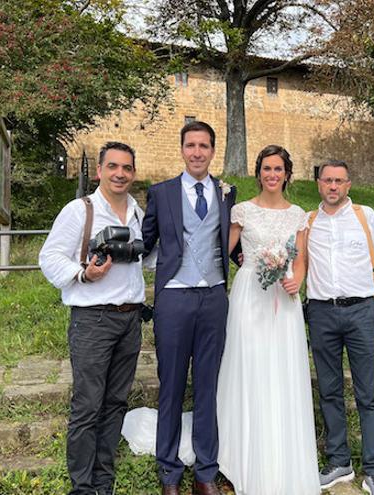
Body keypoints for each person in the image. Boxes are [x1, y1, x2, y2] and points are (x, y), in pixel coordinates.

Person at [38, 141, 148, 495]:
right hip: (92, 319)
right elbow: (49, 257)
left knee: (116, 402)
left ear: (133, 173)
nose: (120, 174)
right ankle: (82, 487)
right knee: (87, 405)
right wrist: (84, 274)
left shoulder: (138, 214)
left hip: (130, 319)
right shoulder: (79, 210)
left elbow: (150, 260)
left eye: (127, 168)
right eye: (113, 166)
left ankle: (104, 481)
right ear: (100, 171)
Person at [216, 145, 319, 495]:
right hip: (249, 297)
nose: (271, 175)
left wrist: (297, 280)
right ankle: (242, 455)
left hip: (284, 300)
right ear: (258, 173)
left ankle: (281, 456)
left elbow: (301, 258)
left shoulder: (298, 215)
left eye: (278, 169)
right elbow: (222, 249)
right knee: (250, 367)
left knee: (282, 371)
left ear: (287, 174)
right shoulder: (242, 211)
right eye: (266, 169)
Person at [141, 121, 236, 495]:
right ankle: (169, 473)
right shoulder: (161, 193)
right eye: (191, 145)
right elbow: (145, 243)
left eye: (204, 146)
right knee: (172, 386)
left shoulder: (226, 193)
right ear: (181, 149)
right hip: (175, 299)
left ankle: (206, 472)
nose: (197, 152)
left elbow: (235, 243)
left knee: (209, 387)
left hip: (214, 297)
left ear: (213, 151)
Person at [306, 160, 374, 495]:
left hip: (361, 313)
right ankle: (339, 462)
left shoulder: (366, 216)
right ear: (318, 183)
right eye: (327, 180)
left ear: (349, 184)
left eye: (339, 181)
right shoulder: (308, 222)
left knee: (368, 394)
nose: (333, 186)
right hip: (321, 313)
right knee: (329, 391)